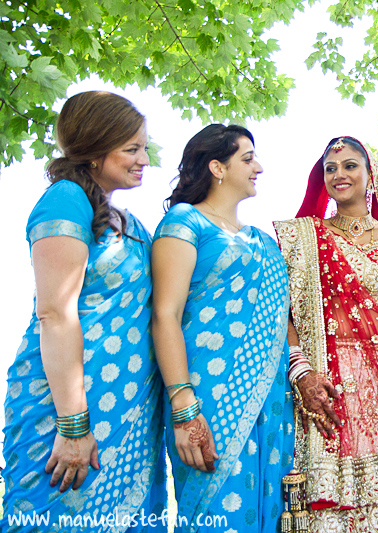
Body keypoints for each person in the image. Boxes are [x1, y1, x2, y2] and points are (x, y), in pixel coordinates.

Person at [1, 91, 167, 531]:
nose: (144, 158)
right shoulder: (65, 200)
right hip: (69, 412)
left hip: (128, 413)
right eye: (132, 148)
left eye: (143, 147)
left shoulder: (124, 222)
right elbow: (55, 313)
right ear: (95, 151)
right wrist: (73, 425)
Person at [274, 136, 378, 533]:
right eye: (330, 168)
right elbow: (282, 312)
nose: (339, 174)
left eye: (350, 165)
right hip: (325, 383)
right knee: (326, 508)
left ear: (370, 174)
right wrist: (301, 370)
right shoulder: (300, 238)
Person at [151, 124, 294, 532]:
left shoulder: (264, 241)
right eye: (247, 159)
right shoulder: (185, 222)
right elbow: (165, 315)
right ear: (217, 167)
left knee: (268, 513)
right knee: (216, 514)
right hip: (210, 396)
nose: (258, 167)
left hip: (272, 400)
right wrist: (184, 407)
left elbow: (283, 318)